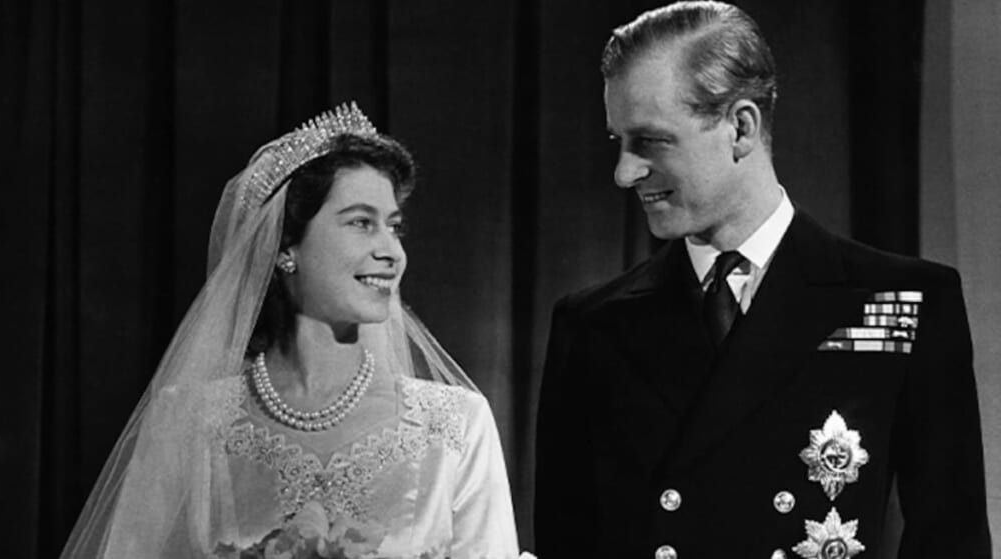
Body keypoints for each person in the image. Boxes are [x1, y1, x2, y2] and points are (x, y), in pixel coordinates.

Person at [534, 2, 991, 558]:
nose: (624, 173)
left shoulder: (903, 304)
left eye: (650, 142)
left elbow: (951, 543)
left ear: (741, 128)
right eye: (618, 142)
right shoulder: (591, 326)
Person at [61, 103, 521, 558]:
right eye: (362, 223)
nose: (392, 253)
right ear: (285, 247)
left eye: (394, 228)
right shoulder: (189, 424)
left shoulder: (456, 427)